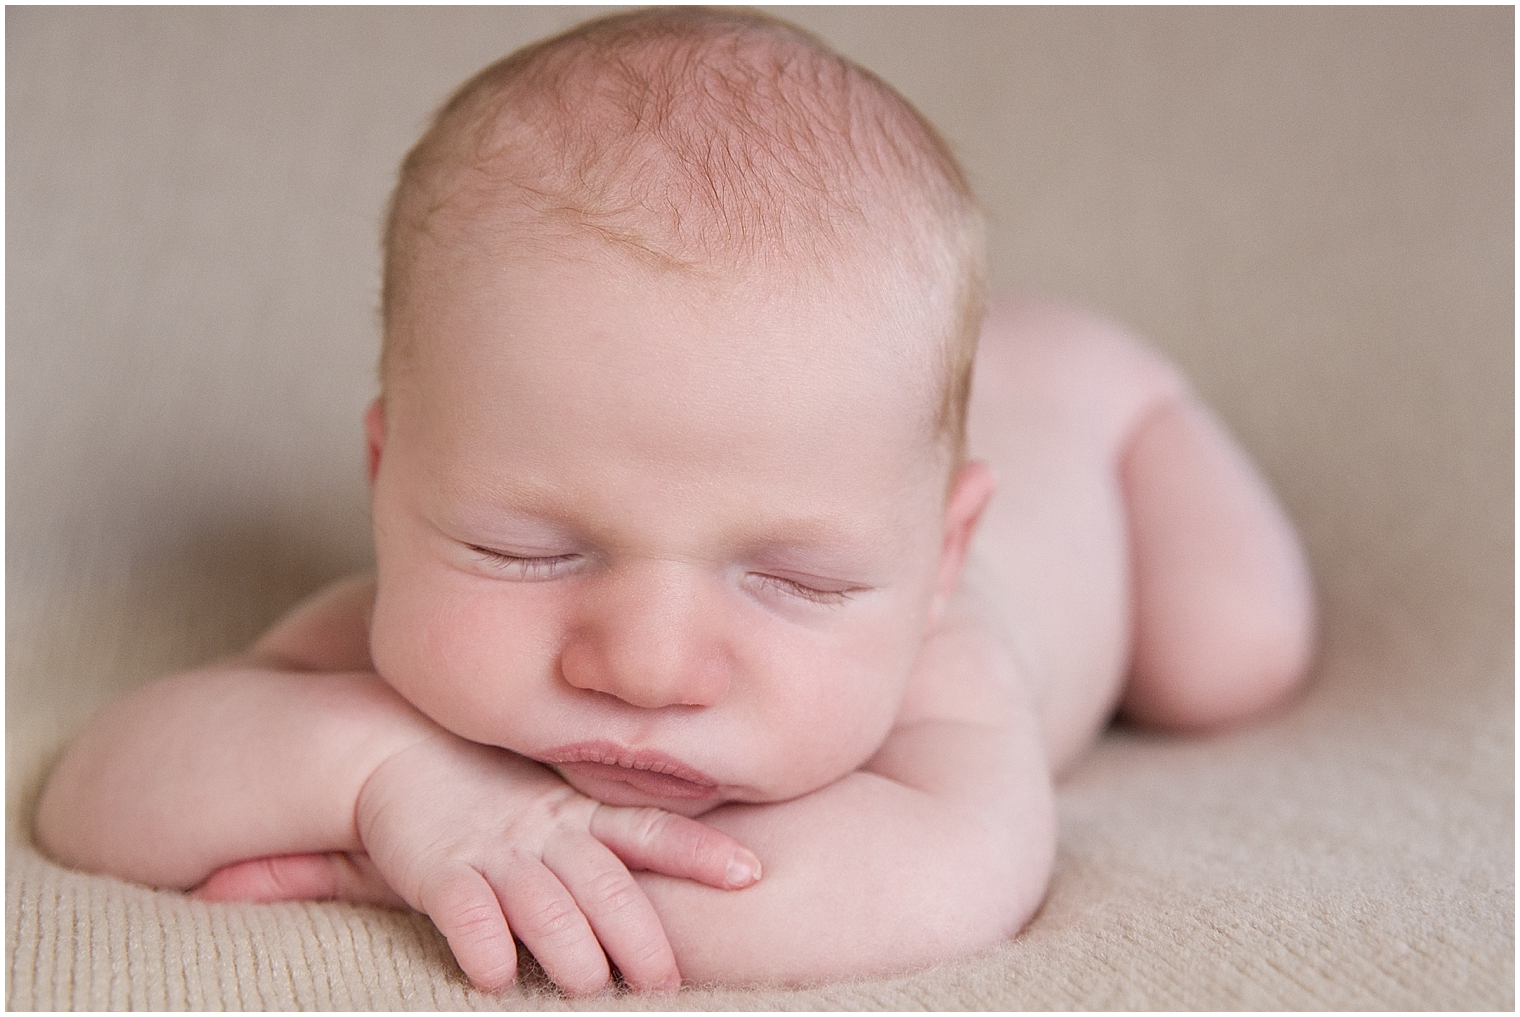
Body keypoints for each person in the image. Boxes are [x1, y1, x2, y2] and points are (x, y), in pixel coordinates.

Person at [34, 7, 1315, 996]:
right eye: (523, 549)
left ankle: (1137, 398)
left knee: (1226, 657)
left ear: (937, 558)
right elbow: (101, 788)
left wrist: (480, 882)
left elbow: (943, 883)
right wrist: (382, 780)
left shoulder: (946, 670)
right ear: (389, 488)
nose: (645, 666)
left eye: (795, 580)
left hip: (1087, 425)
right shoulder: (394, 648)